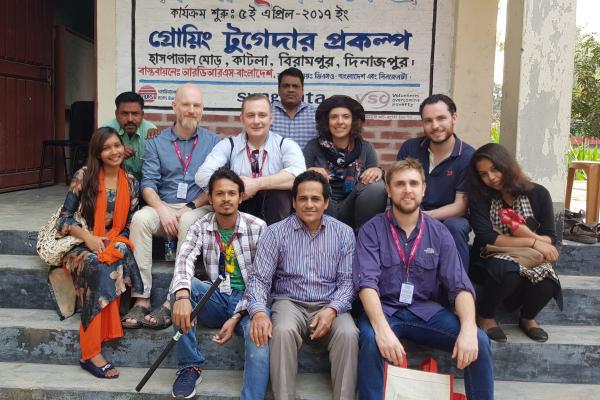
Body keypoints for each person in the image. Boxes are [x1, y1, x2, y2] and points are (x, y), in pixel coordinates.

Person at [354, 158, 493, 400]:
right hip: (385, 310)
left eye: (413, 183)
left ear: (423, 188)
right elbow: (366, 284)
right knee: (370, 339)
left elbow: (460, 287)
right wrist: (382, 329)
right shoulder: (371, 230)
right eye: (399, 184)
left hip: (426, 313)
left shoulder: (440, 232)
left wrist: (469, 329)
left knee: (479, 341)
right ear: (388, 190)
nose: (407, 190)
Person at [246, 170, 358, 400]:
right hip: (289, 301)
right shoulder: (275, 232)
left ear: (326, 202)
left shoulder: (344, 233)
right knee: (283, 330)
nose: (309, 204)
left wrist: (333, 309)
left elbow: (348, 283)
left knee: (348, 333)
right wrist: (258, 311)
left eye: (315, 199)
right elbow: (259, 279)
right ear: (294, 201)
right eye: (303, 198)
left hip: (330, 302)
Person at [125, 83, 221, 329]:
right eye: (186, 104)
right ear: (174, 107)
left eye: (196, 105)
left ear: (202, 109)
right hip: (163, 206)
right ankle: (141, 298)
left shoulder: (214, 142)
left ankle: (173, 298)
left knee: (188, 220)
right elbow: (148, 184)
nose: (191, 110)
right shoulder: (157, 143)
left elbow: (215, 186)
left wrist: (188, 206)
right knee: (140, 220)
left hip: (198, 206)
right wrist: (162, 209)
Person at [169, 168, 269, 399]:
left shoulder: (258, 227)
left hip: (250, 303)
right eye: (220, 193)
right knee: (182, 288)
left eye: (231, 193)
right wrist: (182, 297)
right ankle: (189, 366)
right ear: (211, 198)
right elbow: (183, 260)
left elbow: (262, 281)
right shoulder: (200, 226)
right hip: (217, 299)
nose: (226, 199)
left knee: (259, 345)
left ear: (240, 197)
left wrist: (237, 316)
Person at [54, 127, 144, 378]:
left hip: (113, 243)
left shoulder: (131, 182)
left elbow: (129, 224)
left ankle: (99, 340)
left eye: (116, 145)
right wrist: (89, 238)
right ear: (98, 152)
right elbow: (63, 222)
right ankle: (90, 351)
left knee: (111, 262)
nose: (113, 151)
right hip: (81, 244)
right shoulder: (85, 176)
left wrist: (118, 243)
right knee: (98, 267)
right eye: (106, 148)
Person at [468, 143, 562, 343]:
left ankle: (528, 318)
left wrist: (526, 233)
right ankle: (486, 317)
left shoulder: (539, 194)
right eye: (483, 174)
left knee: (547, 280)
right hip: (489, 256)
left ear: (507, 165)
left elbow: (551, 238)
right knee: (508, 270)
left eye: (494, 169)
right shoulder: (480, 197)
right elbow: (487, 237)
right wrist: (532, 242)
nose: (490, 178)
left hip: (528, 258)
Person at [195, 93, 305, 225]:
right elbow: (202, 175)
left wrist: (257, 184)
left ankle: (277, 243)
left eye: (262, 115)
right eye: (250, 115)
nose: (256, 121)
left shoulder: (286, 145)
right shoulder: (228, 145)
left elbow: (300, 175)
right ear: (242, 119)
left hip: (276, 214)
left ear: (271, 118)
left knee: (278, 194)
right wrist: (238, 187)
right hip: (241, 210)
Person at [396, 94, 474, 272]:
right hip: (410, 209)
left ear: (453, 118)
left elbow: (461, 206)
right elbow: (398, 186)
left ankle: (458, 290)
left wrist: (423, 218)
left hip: (450, 217)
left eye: (441, 118)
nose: (435, 126)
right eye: (428, 120)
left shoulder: (468, 156)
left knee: (455, 226)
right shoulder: (410, 148)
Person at [303, 95, 387, 231]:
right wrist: (309, 173)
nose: (340, 122)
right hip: (323, 204)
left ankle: (364, 236)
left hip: (354, 205)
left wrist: (378, 171)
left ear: (353, 121)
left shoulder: (365, 148)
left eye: (346, 117)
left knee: (376, 186)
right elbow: (297, 179)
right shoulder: (313, 147)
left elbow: (375, 173)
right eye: (334, 117)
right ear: (327, 121)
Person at [105, 91, 159, 180]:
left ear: (142, 115)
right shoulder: (107, 130)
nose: (130, 119)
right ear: (116, 114)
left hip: (143, 184)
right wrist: (116, 153)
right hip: (114, 181)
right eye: (124, 113)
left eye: (135, 114)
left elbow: (154, 170)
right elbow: (97, 162)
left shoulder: (150, 131)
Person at [271, 67, 318, 149]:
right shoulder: (266, 113)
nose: (291, 90)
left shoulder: (316, 115)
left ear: (302, 90)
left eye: (295, 86)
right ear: (278, 90)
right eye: (286, 86)